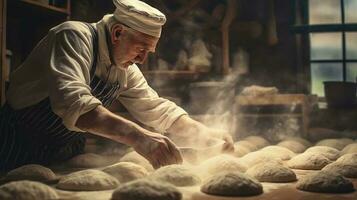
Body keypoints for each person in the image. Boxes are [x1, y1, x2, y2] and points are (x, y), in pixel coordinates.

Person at [0, 0, 234, 171]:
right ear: (118, 33)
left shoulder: (124, 68)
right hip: (17, 144)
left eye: (149, 51)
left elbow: (157, 108)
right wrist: (140, 137)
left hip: (62, 151)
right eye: (141, 48)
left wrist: (206, 135)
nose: (143, 59)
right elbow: (74, 104)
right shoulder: (72, 37)